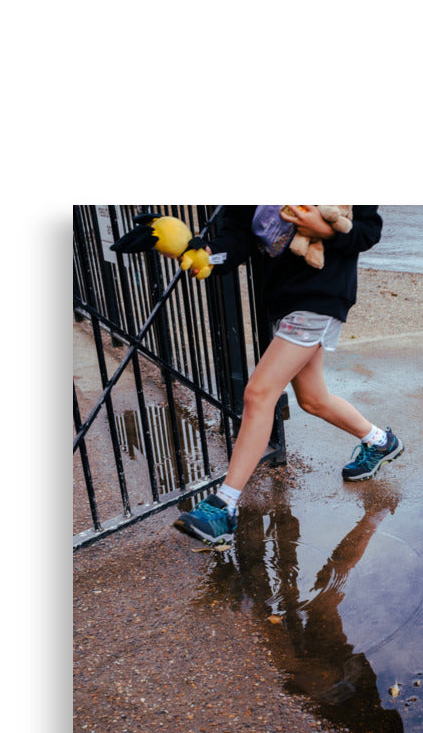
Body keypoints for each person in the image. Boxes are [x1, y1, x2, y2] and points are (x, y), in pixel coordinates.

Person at [173, 205, 404, 546]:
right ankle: (381, 442)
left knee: (259, 393)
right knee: (313, 399)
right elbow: (238, 234)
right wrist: (208, 254)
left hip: (323, 292)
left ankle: (224, 506)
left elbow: (368, 230)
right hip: (284, 298)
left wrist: (324, 230)